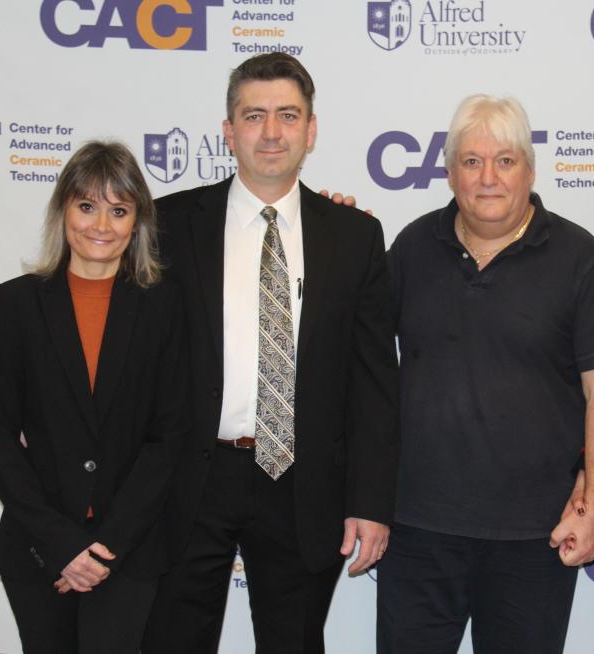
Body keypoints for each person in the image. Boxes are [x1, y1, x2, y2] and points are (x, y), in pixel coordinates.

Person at [141, 53, 399, 654]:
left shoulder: (355, 236)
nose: (272, 132)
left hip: (305, 484)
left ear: (312, 130)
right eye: (254, 116)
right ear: (228, 131)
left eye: (288, 115)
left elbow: (374, 386)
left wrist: (370, 502)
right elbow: (135, 359)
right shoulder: (170, 225)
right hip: (192, 479)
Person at [377, 95, 594, 654]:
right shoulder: (413, 248)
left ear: (531, 171)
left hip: (534, 536)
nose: (488, 178)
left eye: (505, 161)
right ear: (448, 173)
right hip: (417, 529)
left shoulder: (581, 259)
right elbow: (361, 366)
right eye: (471, 162)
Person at [0, 141, 189, 653]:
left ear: (136, 222)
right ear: (62, 209)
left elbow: (169, 436)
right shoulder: (16, 304)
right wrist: (64, 547)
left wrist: (104, 549)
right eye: (87, 205)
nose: (101, 225)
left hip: (129, 552)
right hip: (38, 550)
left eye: (119, 210)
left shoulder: (163, 307)